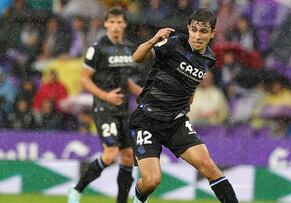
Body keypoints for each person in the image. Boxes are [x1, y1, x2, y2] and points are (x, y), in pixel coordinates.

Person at [129, 8, 238, 203]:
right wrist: (153, 40)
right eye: (194, 30)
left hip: (175, 122)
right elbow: (136, 58)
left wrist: (188, 100)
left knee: (208, 166)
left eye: (203, 31)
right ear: (188, 29)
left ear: (212, 33)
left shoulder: (209, 59)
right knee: (152, 181)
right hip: (147, 120)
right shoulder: (173, 43)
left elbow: (191, 84)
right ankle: (138, 199)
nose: (197, 36)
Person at [68, 7, 142, 203]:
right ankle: (76, 190)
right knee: (109, 155)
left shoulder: (128, 48)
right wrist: (105, 96)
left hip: (124, 109)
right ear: (106, 24)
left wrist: (144, 93)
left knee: (128, 157)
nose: (116, 26)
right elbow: (84, 79)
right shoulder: (97, 48)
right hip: (104, 107)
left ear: (125, 24)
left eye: (120, 22)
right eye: (113, 22)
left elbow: (125, 81)